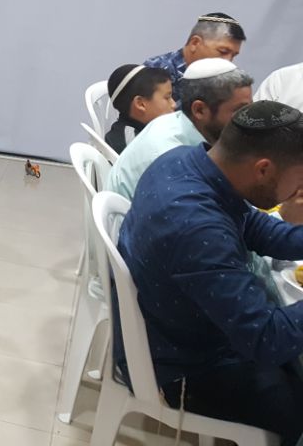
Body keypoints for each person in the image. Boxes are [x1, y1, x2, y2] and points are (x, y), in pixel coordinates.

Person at [114, 101, 303, 446]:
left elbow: (256, 228)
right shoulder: (198, 228)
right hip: (188, 369)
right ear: (263, 169)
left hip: (184, 331)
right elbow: (266, 340)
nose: (298, 190)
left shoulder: (184, 161)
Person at [107, 58, 253, 200]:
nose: (248, 119)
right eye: (239, 110)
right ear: (199, 110)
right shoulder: (167, 156)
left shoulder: (181, 126)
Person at [144, 12, 246, 108]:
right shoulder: (156, 70)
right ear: (195, 43)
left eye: (233, 55)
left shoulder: (224, 79)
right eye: (223, 51)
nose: (228, 61)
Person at [104, 64, 175, 153]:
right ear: (140, 104)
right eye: (167, 98)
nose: (174, 104)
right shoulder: (132, 145)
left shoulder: (155, 131)